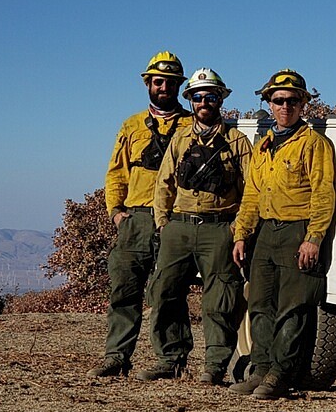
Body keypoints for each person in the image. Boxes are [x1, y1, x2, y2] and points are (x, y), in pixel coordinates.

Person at [229, 69, 336, 400]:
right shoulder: (261, 148)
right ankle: (260, 369)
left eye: (292, 100)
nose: (285, 106)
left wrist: (314, 238)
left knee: (294, 308)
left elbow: (323, 193)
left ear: (303, 104)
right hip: (266, 232)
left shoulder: (314, 145)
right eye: (278, 100)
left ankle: (279, 374)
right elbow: (251, 195)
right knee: (260, 305)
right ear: (269, 104)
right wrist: (242, 234)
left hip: (297, 231)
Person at [87, 51, 193, 378]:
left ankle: (171, 360)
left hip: (173, 219)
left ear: (179, 86)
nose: (164, 87)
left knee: (169, 292)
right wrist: (116, 213)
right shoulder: (131, 125)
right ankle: (116, 356)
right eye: (158, 81)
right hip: (134, 220)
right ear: (148, 83)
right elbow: (116, 172)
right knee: (124, 289)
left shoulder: (192, 124)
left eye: (171, 82)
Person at [145, 68, 252, 383]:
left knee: (219, 299)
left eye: (211, 96)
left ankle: (214, 367)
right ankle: (170, 359)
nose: (204, 102)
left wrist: (238, 231)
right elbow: (163, 183)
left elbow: (252, 192)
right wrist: (163, 222)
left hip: (219, 229)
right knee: (163, 292)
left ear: (220, 99)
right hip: (178, 227)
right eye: (198, 96)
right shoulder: (180, 139)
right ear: (190, 100)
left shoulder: (238, 142)